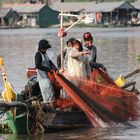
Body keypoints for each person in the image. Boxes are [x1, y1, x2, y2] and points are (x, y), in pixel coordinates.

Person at [34, 39, 58, 107]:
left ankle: (52, 107)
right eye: (45, 48)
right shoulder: (38, 54)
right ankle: (50, 109)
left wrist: (55, 68)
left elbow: (50, 62)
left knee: (51, 94)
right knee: (48, 96)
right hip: (43, 78)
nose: (46, 50)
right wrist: (48, 70)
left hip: (48, 77)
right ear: (42, 48)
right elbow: (38, 65)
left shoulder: (45, 53)